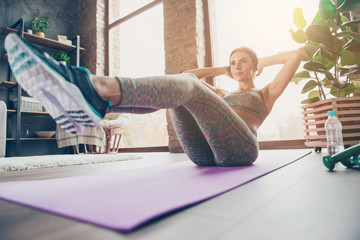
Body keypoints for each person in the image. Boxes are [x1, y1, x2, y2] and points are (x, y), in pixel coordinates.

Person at [4, 33, 302, 166]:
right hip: (204, 156)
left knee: (190, 87)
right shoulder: (221, 94)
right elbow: (187, 75)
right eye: (232, 62)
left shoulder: (264, 93)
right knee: (184, 88)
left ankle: (96, 88)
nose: (236, 66)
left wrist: (260, 59)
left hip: (241, 150)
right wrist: (220, 70)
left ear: (254, 66)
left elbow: (295, 55)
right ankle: (101, 101)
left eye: (242, 62)